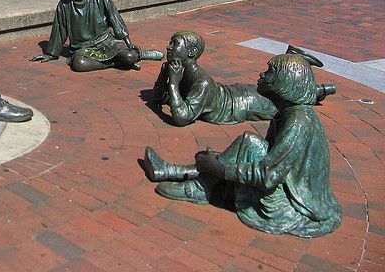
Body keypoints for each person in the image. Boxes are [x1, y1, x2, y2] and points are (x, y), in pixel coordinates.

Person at [143, 53, 342, 238]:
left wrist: (220, 169)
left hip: (294, 205)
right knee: (249, 145)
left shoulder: (298, 121)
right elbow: (270, 158)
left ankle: (200, 187)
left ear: (285, 81)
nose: (262, 74)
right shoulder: (290, 113)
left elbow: (269, 176)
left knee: (249, 144)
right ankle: (177, 173)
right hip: (290, 187)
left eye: (270, 71)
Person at [31, 0, 163, 72]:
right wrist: (51, 54)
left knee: (129, 56)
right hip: (84, 49)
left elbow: (115, 20)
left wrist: (128, 43)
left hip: (106, 42)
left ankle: (139, 55)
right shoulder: (64, 5)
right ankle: (115, 63)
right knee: (79, 64)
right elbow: (59, 32)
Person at [151, 31, 279, 126]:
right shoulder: (179, 72)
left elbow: (181, 118)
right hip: (230, 91)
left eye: (175, 44)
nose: (169, 47)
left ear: (191, 52)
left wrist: (173, 83)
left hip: (239, 103)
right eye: (170, 43)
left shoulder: (202, 82)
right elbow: (159, 97)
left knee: (278, 103)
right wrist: (163, 75)